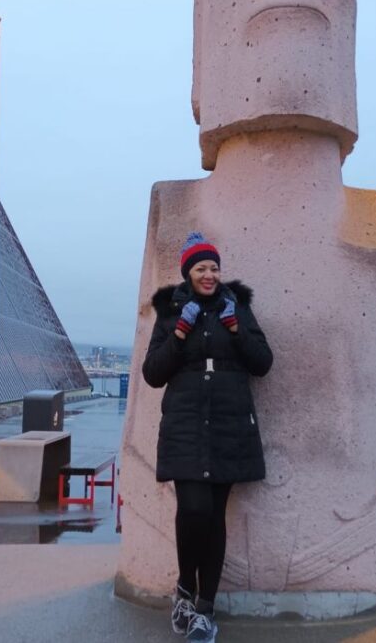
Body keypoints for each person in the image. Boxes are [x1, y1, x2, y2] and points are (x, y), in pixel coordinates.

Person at [142, 231, 273, 643]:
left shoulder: (238, 308)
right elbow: (153, 374)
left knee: (215, 516)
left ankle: (203, 609)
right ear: (187, 272)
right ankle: (184, 586)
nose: (210, 274)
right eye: (201, 268)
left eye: (215, 267)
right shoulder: (169, 313)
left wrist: (237, 330)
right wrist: (179, 334)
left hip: (230, 425)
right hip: (184, 424)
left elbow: (262, 363)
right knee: (194, 508)